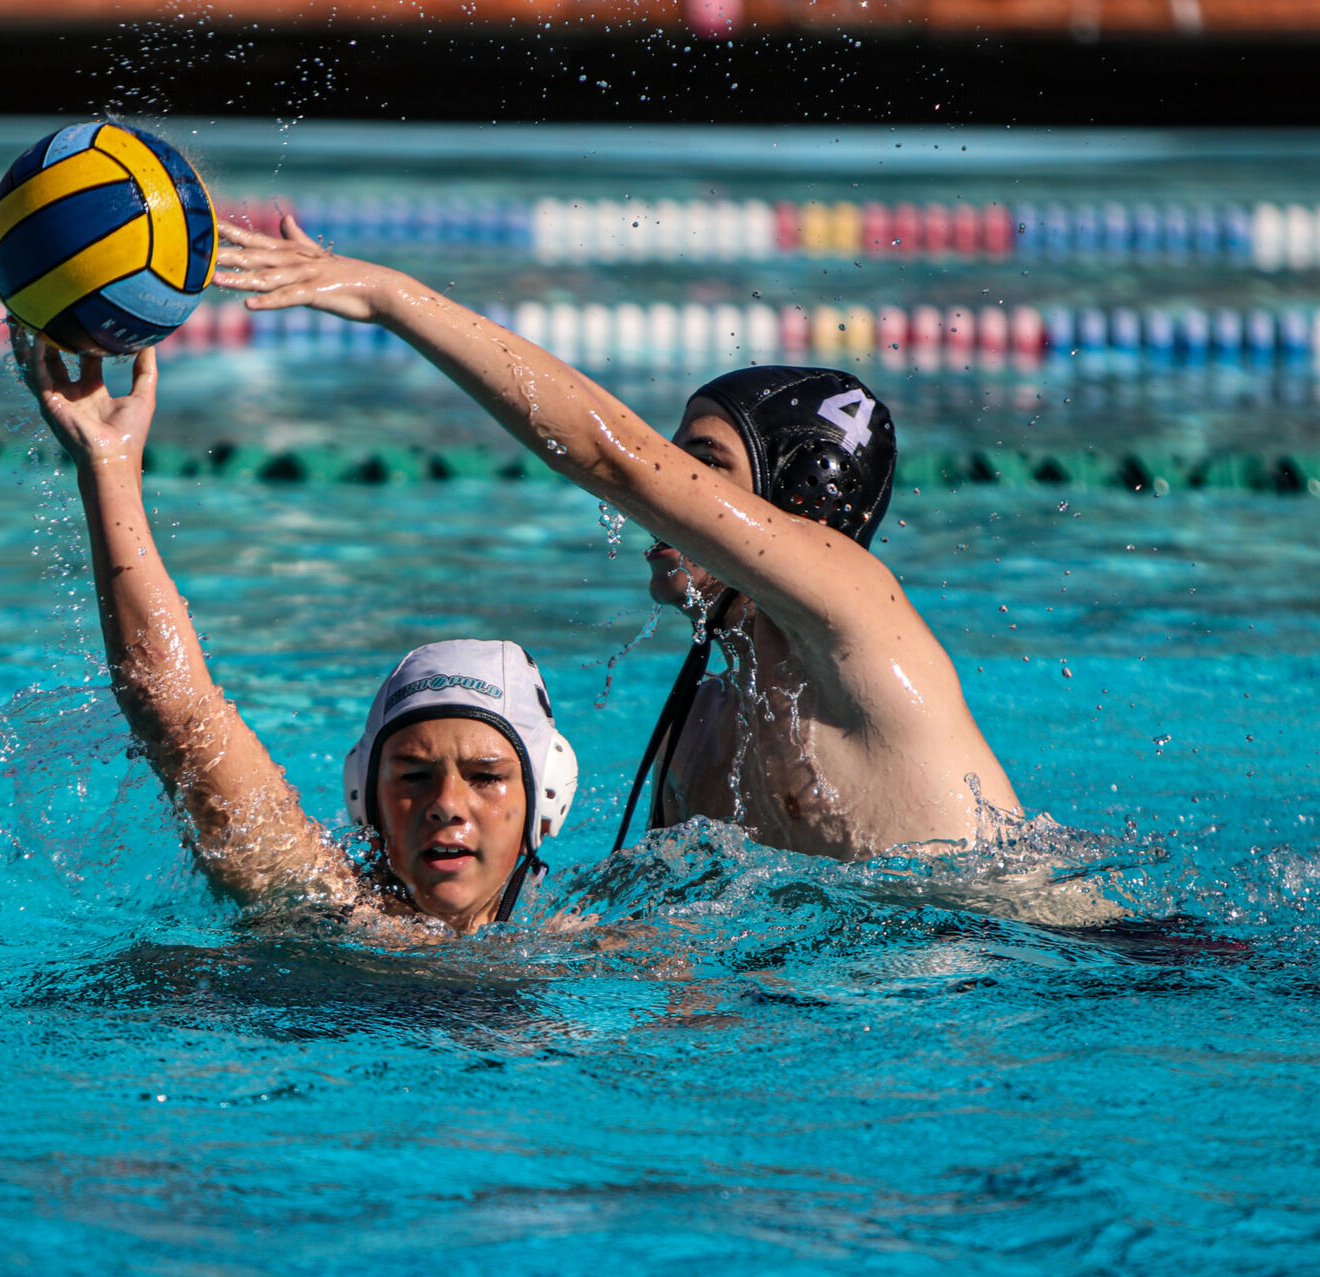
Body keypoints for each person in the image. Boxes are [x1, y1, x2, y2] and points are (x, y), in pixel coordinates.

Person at [214, 214, 1023, 863]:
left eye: (701, 467)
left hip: (1059, 962)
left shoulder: (858, 616)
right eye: (675, 465)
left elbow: (613, 457)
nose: (671, 498)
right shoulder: (704, 725)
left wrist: (388, 295)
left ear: (794, 507)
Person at [7, 323, 577, 937]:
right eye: (412, 775)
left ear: (544, 797)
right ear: (367, 799)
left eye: (487, 776)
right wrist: (107, 466)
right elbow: (177, 712)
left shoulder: (603, 948)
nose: (445, 804)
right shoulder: (323, 905)